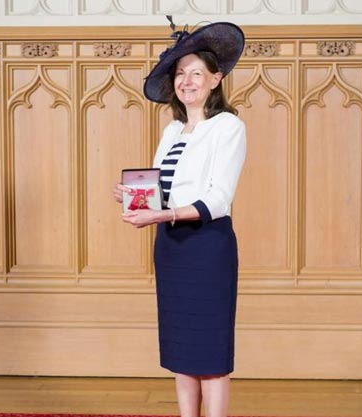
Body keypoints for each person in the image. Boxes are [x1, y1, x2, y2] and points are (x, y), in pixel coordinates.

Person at [113, 17, 246, 417]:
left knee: (210, 351)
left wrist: (163, 213)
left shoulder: (228, 127)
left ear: (215, 79)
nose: (187, 81)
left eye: (196, 74)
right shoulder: (172, 130)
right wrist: (134, 198)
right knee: (182, 349)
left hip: (208, 247)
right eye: (180, 74)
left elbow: (217, 200)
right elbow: (161, 189)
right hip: (171, 246)